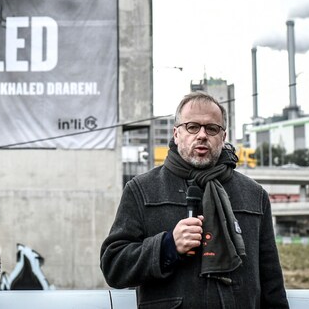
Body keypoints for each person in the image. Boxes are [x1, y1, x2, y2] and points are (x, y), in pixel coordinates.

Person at [100, 92, 288, 308]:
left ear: (223, 136)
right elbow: (113, 265)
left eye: (211, 128)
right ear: (176, 134)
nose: (201, 135)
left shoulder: (254, 195)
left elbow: (271, 283)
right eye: (192, 127)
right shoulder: (142, 190)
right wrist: (167, 246)